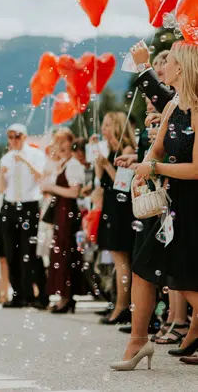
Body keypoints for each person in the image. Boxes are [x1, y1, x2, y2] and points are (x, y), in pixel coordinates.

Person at [112, 41, 198, 370]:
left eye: (170, 62)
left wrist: (155, 169)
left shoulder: (197, 109)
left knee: (185, 281)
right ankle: (137, 344)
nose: (165, 67)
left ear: (182, 68)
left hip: (191, 206)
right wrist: (143, 169)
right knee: (143, 270)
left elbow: (196, 169)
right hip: (168, 207)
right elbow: (157, 149)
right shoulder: (173, 107)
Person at [0, 123, 48, 309]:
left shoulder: (36, 155)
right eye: (10, 137)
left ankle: (39, 294)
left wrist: (25, 162)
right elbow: (1, 188)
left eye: (17, 136)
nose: (13, 140)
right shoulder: (6, 158)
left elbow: (41, 178)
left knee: (31, 252)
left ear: (24, 137)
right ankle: (18, 295)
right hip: (10, 206)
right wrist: (1, 174)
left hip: (29, 206)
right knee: (12, 252)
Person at [95, 111, 137, 325]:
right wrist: (98, 158)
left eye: (108, 124)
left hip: (122, 209)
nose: (104, 128)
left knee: (122, 260)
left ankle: (123, 307)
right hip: (111, 207)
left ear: (119, 127)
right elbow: (100, 180)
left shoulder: (127, 150)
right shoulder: (109, 150)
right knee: (117, 260)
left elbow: (122, 184)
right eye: (103, 124)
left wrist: (108, 165)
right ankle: (119, 304)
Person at [42, 128, 86, 314]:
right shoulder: (62, 163)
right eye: (57, 141)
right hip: (60, 211)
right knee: (59, 253)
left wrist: (52, 187)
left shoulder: (73, 165)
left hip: (67, 211)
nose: (60, 145)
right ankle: (62, 296)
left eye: (64, 141)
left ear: (70, 142)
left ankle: (67, 297)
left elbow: (74, 192)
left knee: (66, 253)